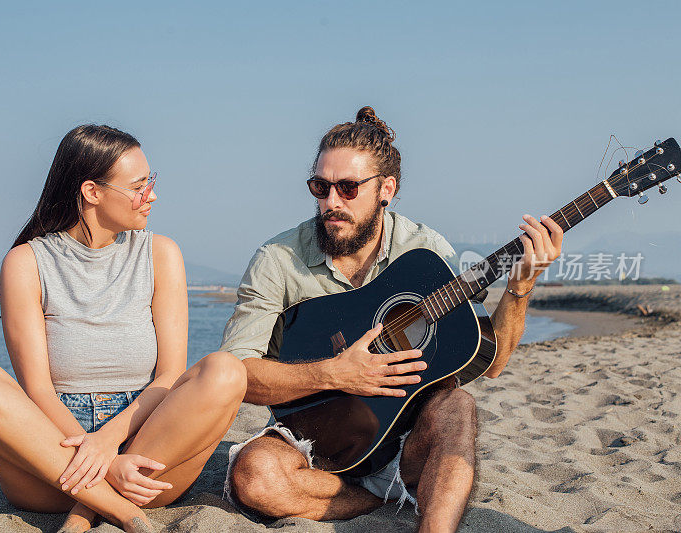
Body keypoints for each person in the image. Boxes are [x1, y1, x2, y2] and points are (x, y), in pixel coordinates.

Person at [221, 107, 563, 532]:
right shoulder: (277, 260)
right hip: (310, 433)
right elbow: (236, 376)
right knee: (255, 479)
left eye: (348, 188)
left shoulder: (426, 251)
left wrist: (520, 287)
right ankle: (367, 499)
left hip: (403, 435)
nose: (331, 203)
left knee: (457, 405)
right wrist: (334, 374)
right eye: (320, 187)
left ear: (386, 188)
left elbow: (489, 363)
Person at [0, 125, 247, 533]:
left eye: (151, 182)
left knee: (226, 370)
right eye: (139, 186)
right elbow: (38, 391)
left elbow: (169, 376)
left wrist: (109, 444)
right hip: (55, 460)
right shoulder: (26, 262)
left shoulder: (160, 253)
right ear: (92, 191)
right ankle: (122, 513)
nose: (152, 196)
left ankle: (86, 510)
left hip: (147, 450)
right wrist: (104, 461)